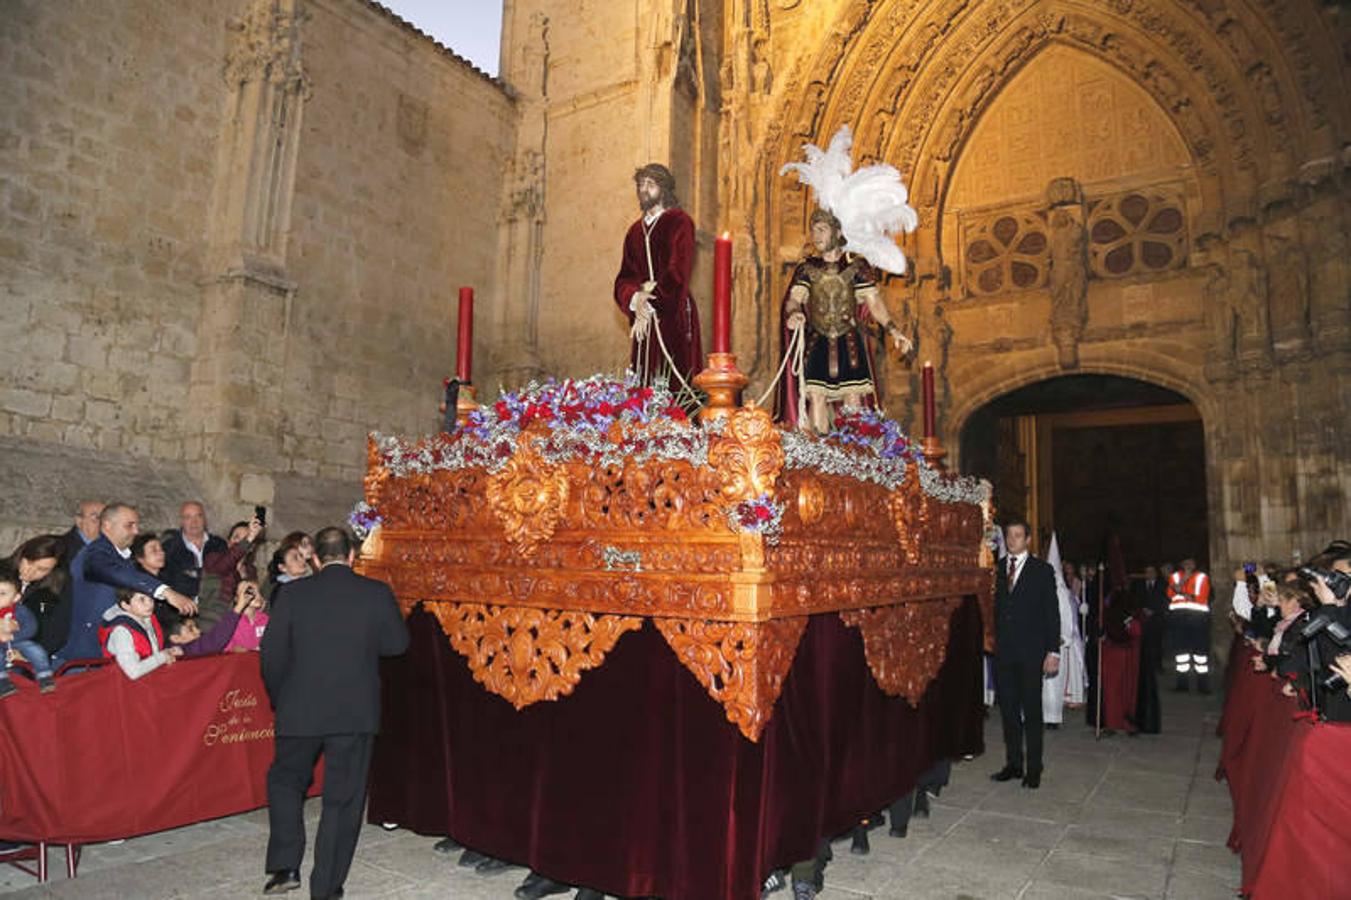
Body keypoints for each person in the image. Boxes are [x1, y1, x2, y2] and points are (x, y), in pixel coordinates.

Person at [260, 527, 409, 899]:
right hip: (353, 712)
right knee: (342, 800)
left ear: (315, 558)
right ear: (353, 556)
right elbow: (397, 644)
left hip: (299, 708)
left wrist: (282, 700)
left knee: (284, 782)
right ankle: (325, 889)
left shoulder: (292, 594)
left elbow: (272, 656)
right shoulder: (375, 592)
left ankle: (284, 866)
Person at [774, 209, 910, 433]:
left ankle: (853, 454)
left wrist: (894, 331)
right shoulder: (806, 268)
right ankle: (821, 454)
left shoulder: (857, 268)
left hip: (849, 340)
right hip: (817, 339)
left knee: (853, 396)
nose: (816, 235)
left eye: (822, 230)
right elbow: (793, 299)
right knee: (816, 396)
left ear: (837, 232)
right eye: (813, 230)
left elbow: (875, 304)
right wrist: (794, 313)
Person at [57, 504, 194, 664]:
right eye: (129, 525)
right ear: (107, 525)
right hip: (87, 653)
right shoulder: (95, 553)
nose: (136, 531)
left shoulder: (124, 559)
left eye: (136, 525)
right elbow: (112, 572)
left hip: (111, 651)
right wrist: (165, 592)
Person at [612, 163, 703, 393]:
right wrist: (634, 298)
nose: (643, 189)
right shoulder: (634, 232)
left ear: (664, 189)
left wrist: (650, 301)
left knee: (673, 377)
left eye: (650, 184)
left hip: (672, 311)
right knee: (643, 382)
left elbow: (678, 272)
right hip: (643, 317)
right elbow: (624, 278)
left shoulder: (680, 222)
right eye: (640, 185)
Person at [990, 519, 1060, 789]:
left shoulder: (1042, 571)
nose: (1012, 540)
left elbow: (1051, 614)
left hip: (1031, 654)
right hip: (1004, 653)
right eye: (1009, 535)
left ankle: (1034, 768)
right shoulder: (996, 570)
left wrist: (1052, 651)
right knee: (1008, 711)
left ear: (1028, 539)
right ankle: (1014, 764)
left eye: (1018, 536)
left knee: (1031, 711)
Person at [1042, 534, 1085, 728]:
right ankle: (1042, 715)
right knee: (1043, 684)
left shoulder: (1062, 593)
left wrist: (1062, 638)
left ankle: (1053, 718)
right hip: (1042, 642)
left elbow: (1067, 619)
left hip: (1057, 643)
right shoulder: (1041, 591)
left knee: (1054, 683)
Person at [99, 587, 181, 680]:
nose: (149, 604)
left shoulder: (147, 620)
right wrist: (162, 657)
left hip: (146, 682)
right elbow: (133, 672)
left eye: (151, 598)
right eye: (142, 599)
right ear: (126, 605)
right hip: (121, 686)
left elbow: (152, 654)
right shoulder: (121, 631)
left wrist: (168, 653)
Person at [0, 567, 56, 696]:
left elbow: (32, 628)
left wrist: (15, 635)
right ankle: (2, 681)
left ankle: (44, 675)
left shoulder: (20, 611)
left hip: (16, 642)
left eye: (2, 594)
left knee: (35, 649)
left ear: (16, 597)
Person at [9, 535, 68, 656]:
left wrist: (27, 655)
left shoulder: (52, 592)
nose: (30, 572)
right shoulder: (3, 573)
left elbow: (56, 633)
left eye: (41, 569)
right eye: (28, 562)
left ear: (52, 572)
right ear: (21, 555)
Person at [160, 501, 229, 600]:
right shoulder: (170, 547)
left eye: (198, 516)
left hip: (214, 606)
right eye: (188, 517)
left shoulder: (218, 545)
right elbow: (173, 582)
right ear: (181, 522)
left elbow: (224, 578)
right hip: (181, 608)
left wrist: (192, 576)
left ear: (205, 520)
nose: (194, 522)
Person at [1167, 556, 1212, 693]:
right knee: (1181, 653)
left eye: (1190, 562)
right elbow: (1170, 594)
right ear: (1181, 564)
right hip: (1179, 618)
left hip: (1198, 618)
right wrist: (1183, 582)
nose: (1188, 565)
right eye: (1185, 562)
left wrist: (1181, 592)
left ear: (1195, 564)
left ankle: (1202, 686)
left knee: (1200, 653)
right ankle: (1182, 685)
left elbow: (1201, 597)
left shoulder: (1201, 577)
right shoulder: (1175, 576)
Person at [225, 580, 268, 652]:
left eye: (259, 592)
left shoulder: (266, 619)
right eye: (250, 592)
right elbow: (228, 647)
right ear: (237, 598)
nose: (258, 596)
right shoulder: (231, 621)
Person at [61, 500, 104, 569]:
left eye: (106, 519)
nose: (103, 524)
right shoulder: (61, 550)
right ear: (79, 521)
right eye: (96, 518)